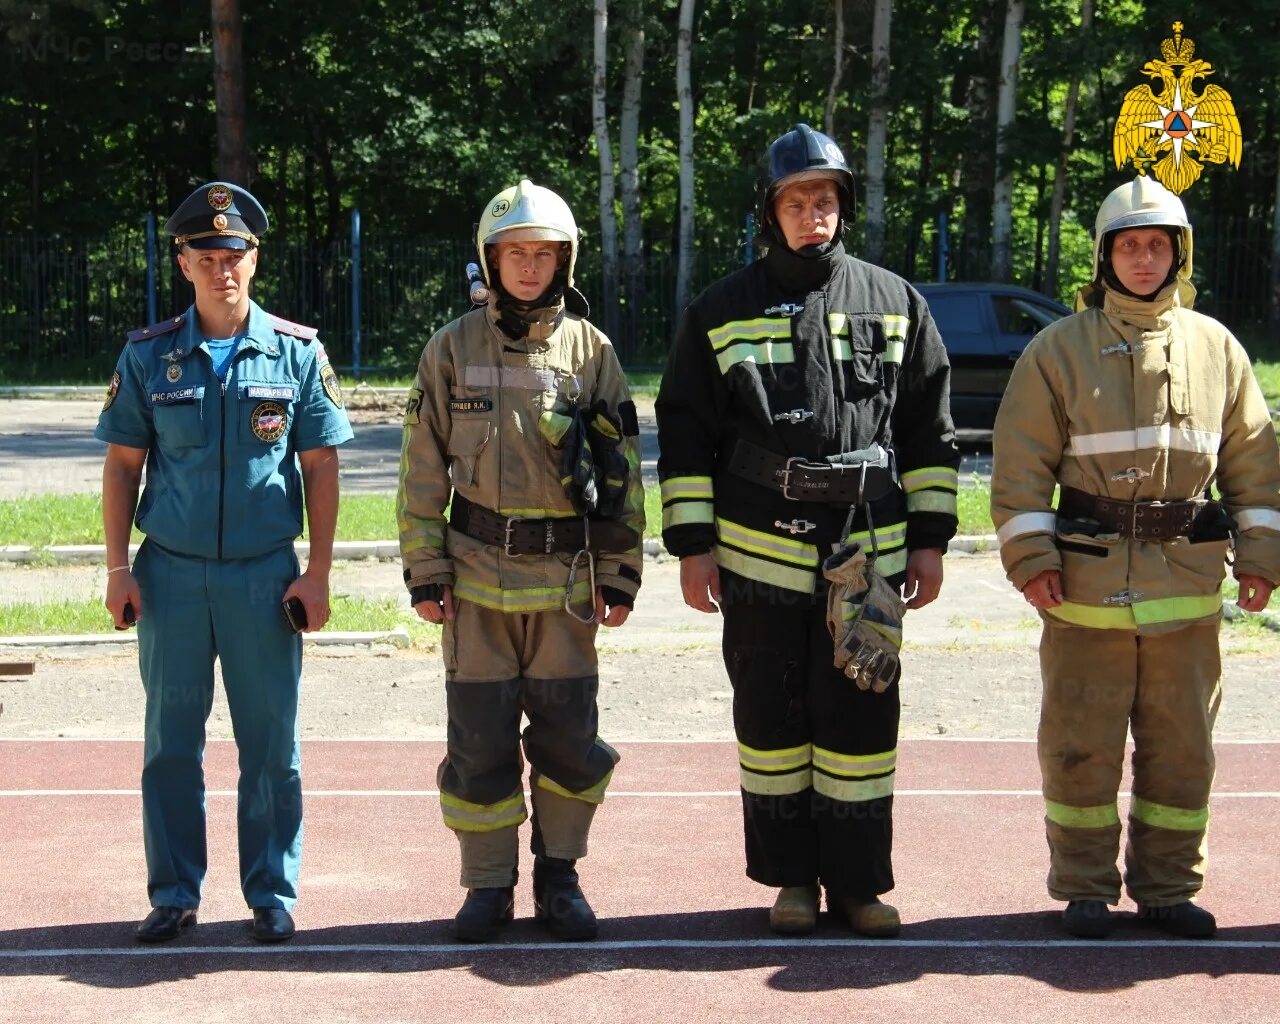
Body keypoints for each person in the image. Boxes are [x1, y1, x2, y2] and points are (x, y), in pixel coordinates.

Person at [655, 124, 959, 936]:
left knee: (862, 720)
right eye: (797, 201)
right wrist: (693, 547)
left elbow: (931, 431)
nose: (812, 214)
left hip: (872, 554)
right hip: (759, 554)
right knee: (772, 720)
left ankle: (859, 885)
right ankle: (790, 882)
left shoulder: (898, 303)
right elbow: (684, 431)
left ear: (842, 208)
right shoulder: (719, 311)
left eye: (824, 199)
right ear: (771, 212)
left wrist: (929, 539)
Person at [991, 175, 1280, 939]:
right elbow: (1019, 468)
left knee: (1183, 750)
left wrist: (1260, 556)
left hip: (1186, 590)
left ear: (1178, 255)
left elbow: (1252, 462)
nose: (1144, 259)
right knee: (1080, 743)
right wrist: (1031, 559)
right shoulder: (1056, 350)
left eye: (1158, 245)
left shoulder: (1217, 348)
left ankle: (1167, 890)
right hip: (1084, 585)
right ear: (1104, 256)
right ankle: (1085, 887)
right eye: (1129, 245)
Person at [96, 181, 353, 944]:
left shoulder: (296, 353)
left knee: (271, 743)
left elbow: (322, 466)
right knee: (170, 743)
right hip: (170, 575)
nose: (222, 268)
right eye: (206, 254)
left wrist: (319, 572)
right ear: (182, 262)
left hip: (263, 574)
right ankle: (174, 892)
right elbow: (121, 467)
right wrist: (118, 569)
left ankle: (271, 892)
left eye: (233, 253)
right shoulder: (149, 356)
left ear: (254, 258)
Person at [397, 179, 645, 943]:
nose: (529, 266)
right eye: (515, 252)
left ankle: (560, 876)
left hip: (566, 588)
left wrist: (622, 569)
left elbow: (623, 470)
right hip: (473, 584)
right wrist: (425, 567)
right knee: (479, 741)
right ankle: (487, 885)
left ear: (564, 261)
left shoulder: (591, 351)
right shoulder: (449, 348)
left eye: (543, 253)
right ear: (490, 258)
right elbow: (421, 469)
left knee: (569, 739)